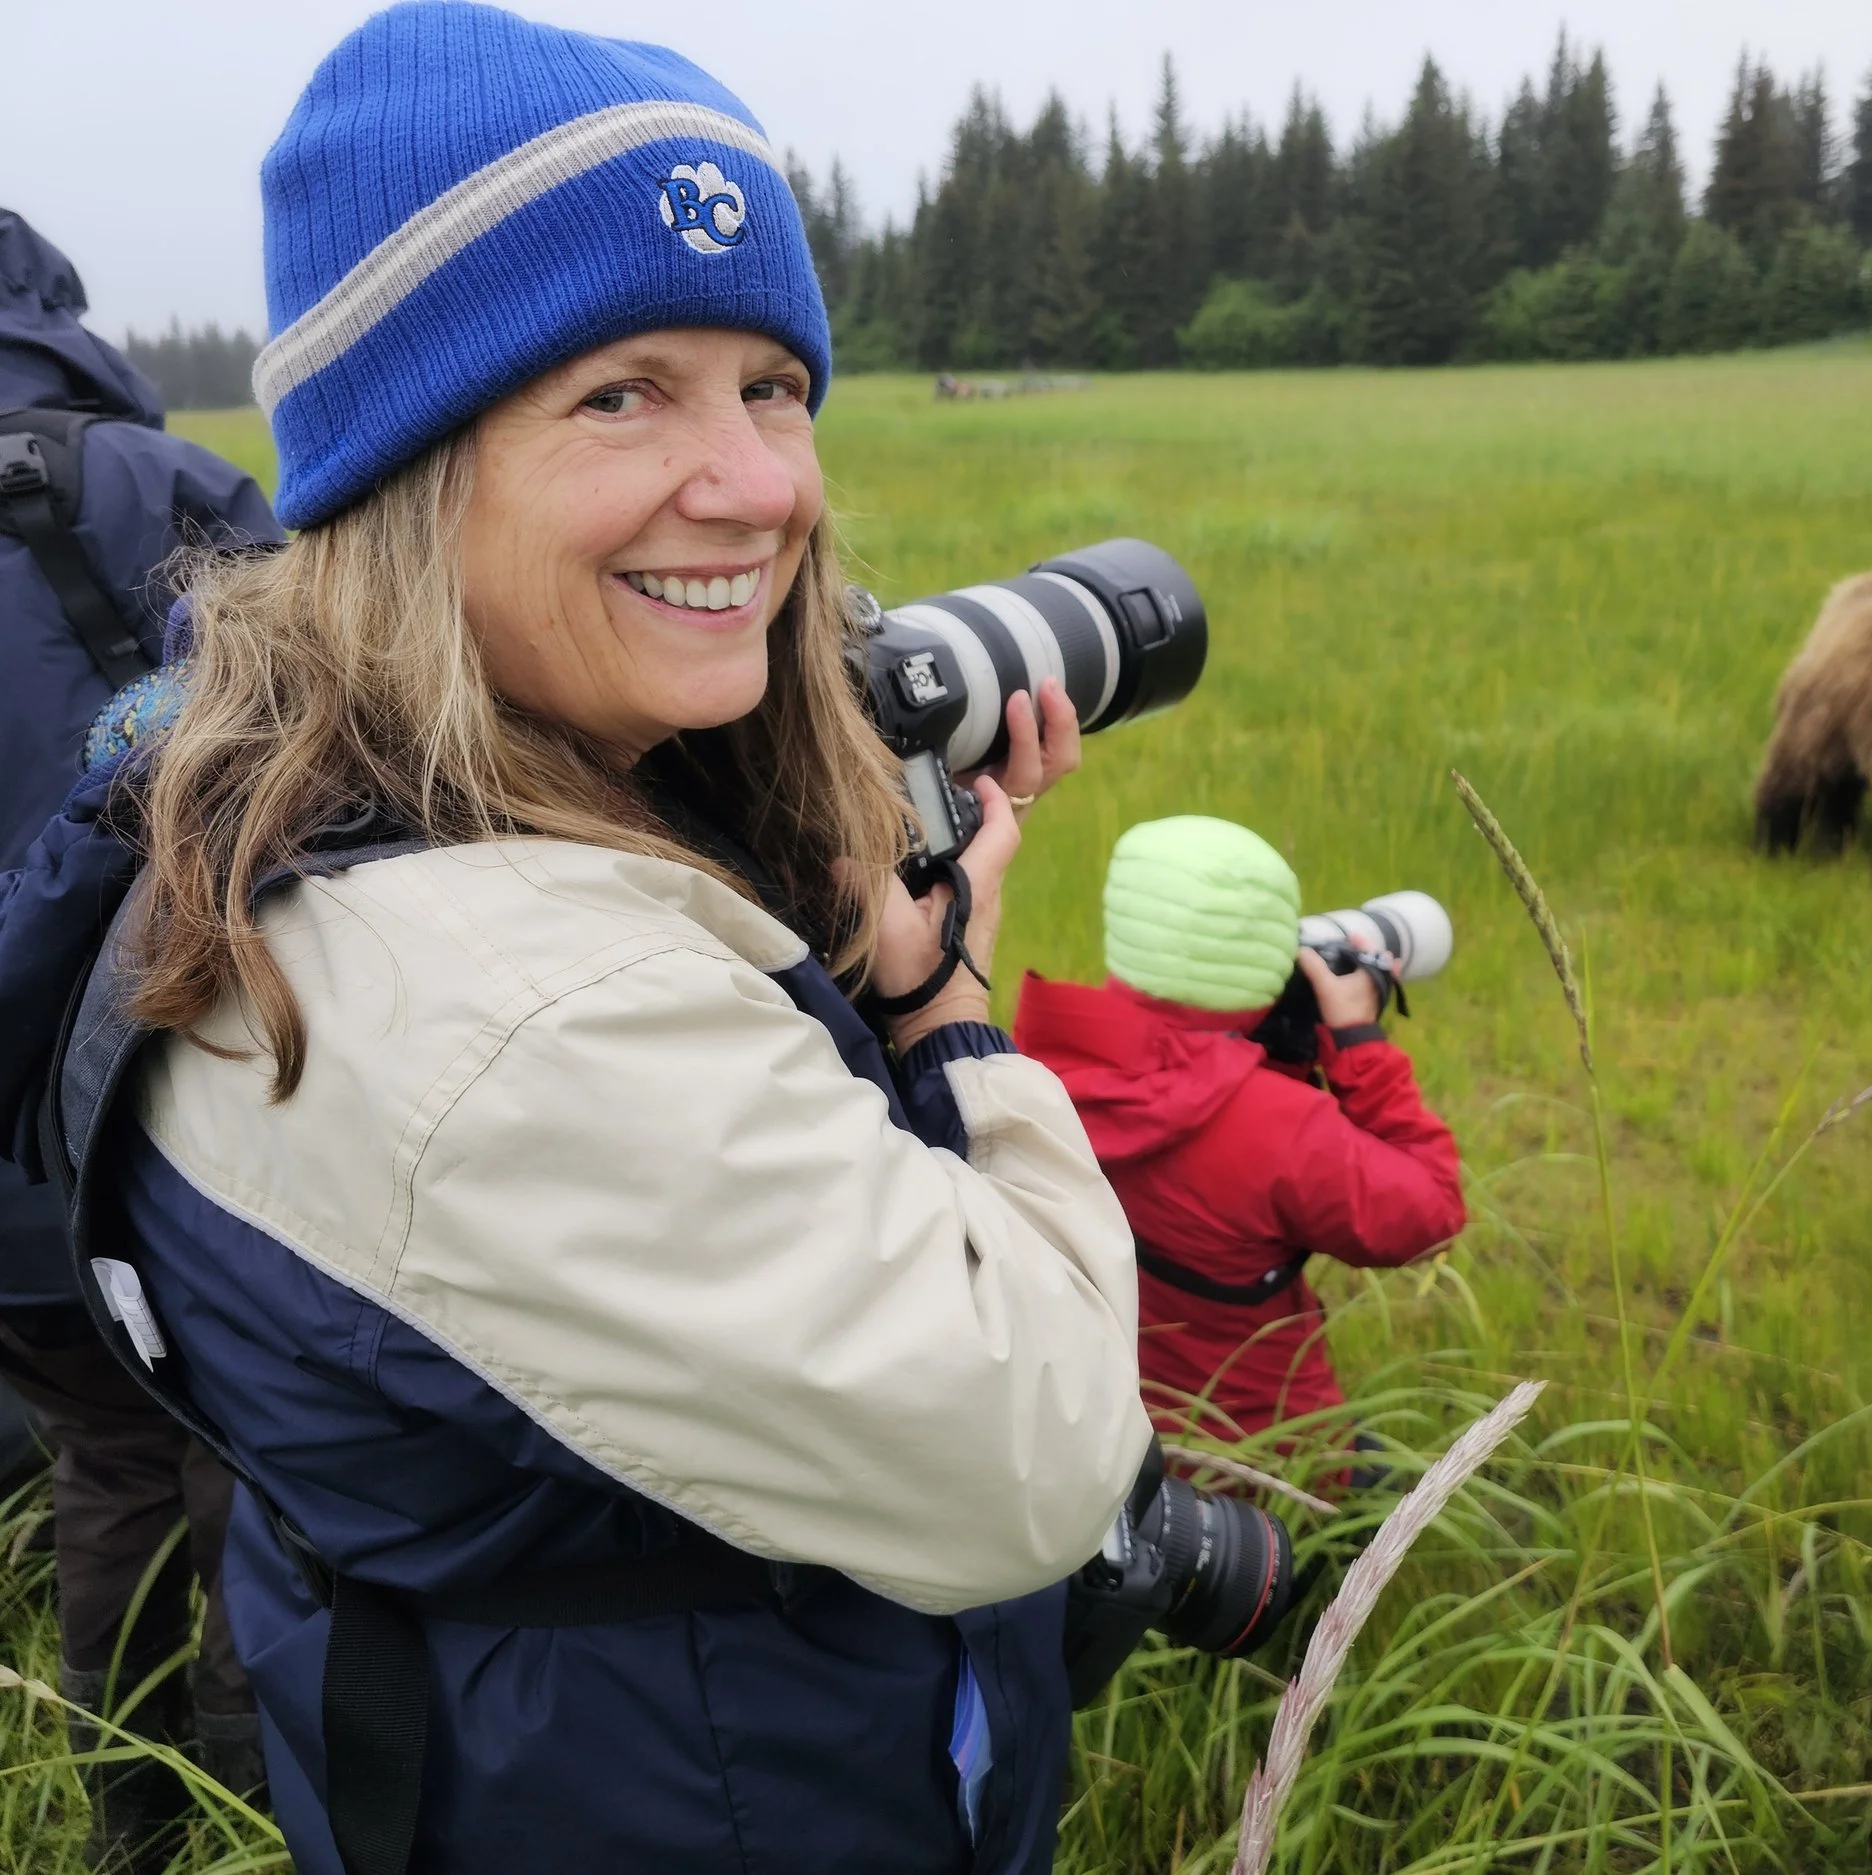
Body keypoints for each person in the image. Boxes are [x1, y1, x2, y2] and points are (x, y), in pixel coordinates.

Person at [0, 7, 1151, 1871]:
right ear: (410, 463)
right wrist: (942, 1005)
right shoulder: (519, 1011)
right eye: (624, 390)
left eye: (772, 384)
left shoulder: (286, 776)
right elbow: (1035, 1453)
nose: (764, 484)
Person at [0, 205, 279, 1864]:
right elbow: (334, 705)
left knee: (103, 1467)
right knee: (240, 1443)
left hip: (4, 1170)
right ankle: (253, 1805)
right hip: (168, 1092)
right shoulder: (156, 492)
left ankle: (127, 1817)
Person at [1015, 817, 1467, 1442]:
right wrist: (1359, 1045)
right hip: (1262, 1454)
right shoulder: (1283, 1129)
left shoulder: (1035, 1065)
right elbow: (1432, 1214)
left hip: (1092, 1429)